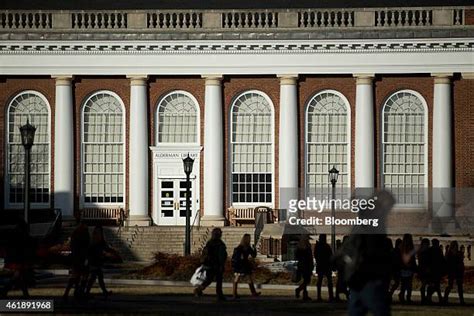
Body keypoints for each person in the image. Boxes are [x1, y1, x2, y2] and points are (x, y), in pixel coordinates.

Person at [1, 219, 35, 298]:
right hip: (18, 259)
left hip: (15, 258)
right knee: (18, 276)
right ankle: (5, 291)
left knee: (19, 277)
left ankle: (5, 292)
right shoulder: (22, 235)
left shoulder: (14, 234)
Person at [85, 226, 118, 298]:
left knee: (98, 277)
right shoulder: (94, 241)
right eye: (99, 232)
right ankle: (88, 292)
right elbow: (95, 250)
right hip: (93, 260)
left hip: (97, 260)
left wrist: (111, 250)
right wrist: (105, 253)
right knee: (95, 277)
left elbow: (105, 247)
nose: (100, 233)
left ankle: (102, 291)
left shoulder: (101, 240)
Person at [194, 228, 228, 301]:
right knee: (218, 279)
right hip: (216, 264)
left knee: (209, 279)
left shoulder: (210, 243)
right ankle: (219, 294)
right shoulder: (219, 244)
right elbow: (221, 255)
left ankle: (199, 289)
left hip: (210, 264)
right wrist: (221, 264)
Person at [63, 222, 90, 300]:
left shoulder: (75, 234)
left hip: (76, 257)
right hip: (81, 257)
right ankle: (79, 292)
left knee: (76, 275)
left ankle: (71, 292)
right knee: (83, 275)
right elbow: (86, 247)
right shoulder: (84, 235)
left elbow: (72, 245)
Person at [231, 233, 260, 299]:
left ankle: (235, 293)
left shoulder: (244, 247)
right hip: (241, 264)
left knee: (243, 278)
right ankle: (235, 294)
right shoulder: (243, 247)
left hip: (242, 264)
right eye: (249, 238)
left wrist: (254, 249)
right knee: (241, 278)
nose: (249, 240)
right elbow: (253, 255)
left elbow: (253, 255)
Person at [444, 240, 465, 305]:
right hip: (453, 271)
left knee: (459, 286)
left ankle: (461, 300)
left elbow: (461, 263)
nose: (456, 247)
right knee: (451, 286)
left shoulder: (455, 253)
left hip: (457, 271)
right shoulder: (450, 253)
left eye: (456, 245)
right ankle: (445, 298)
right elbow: (447, 263)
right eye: (455, 245)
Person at [314, 234, 333, 302]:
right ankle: (330, 296)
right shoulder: (326, 246)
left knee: (321, 281)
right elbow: (330, 255)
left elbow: (315, 255)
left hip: (322, 265)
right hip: (325, 265)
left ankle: (320, 296)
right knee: (327, 281)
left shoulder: (318, 246)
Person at [294, 235, 314, 301]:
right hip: (306, 265)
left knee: (305, 280)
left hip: (301, 265)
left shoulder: (299, 247)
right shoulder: (307, 247)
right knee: (307, 280)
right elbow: (310, 257)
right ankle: (299, 290)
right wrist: (311, 265)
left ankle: (305, 295)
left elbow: (296, 256)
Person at [399, 233, 417, 303]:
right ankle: (407, 297)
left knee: (404, 284)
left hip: (404, 268)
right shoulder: (409, 247)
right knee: (408, 284)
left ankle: (403, 296)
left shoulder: (402, 248)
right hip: (408, 268)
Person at [426, 238, 445, 304]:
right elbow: (442, 260)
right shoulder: (438, 250)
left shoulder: (430, 250)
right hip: (435, 271)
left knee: (434, 285)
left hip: (433, 270)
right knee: (436, 285)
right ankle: (437, 298)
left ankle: (429, 297)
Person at [334, 236, 349, 302]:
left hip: (342, 267)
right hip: (343, 267)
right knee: (342, 281)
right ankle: (344, 293)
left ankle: (341, 294)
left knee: (341, 281)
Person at [417, 238, 431, 304]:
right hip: (424, 270)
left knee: (426, 284)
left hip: (423, 270)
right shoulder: (423, 252)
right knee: (425, 284)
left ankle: (425, 298)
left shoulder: (422, 251)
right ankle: (424, 298)